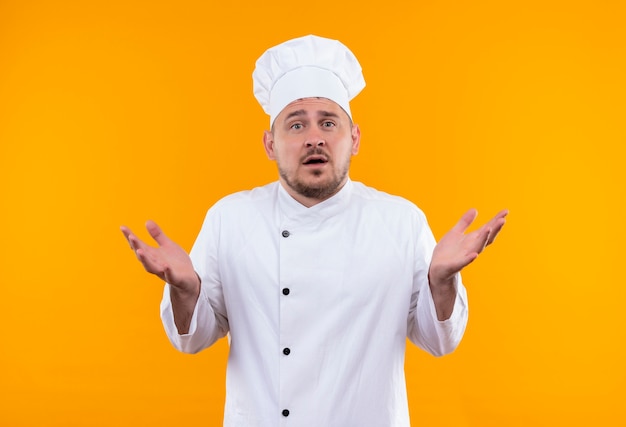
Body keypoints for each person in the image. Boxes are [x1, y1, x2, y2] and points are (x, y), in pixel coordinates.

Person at [121, 35, 507, 427]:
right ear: (270, 144)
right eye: (296, 124)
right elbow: (192, 340)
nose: (314, 137)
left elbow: (439, 341)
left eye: (328, 122)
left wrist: (442, 283)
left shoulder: (401, 222)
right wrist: (186, 292)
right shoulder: (230, 219)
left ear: (354, 139)